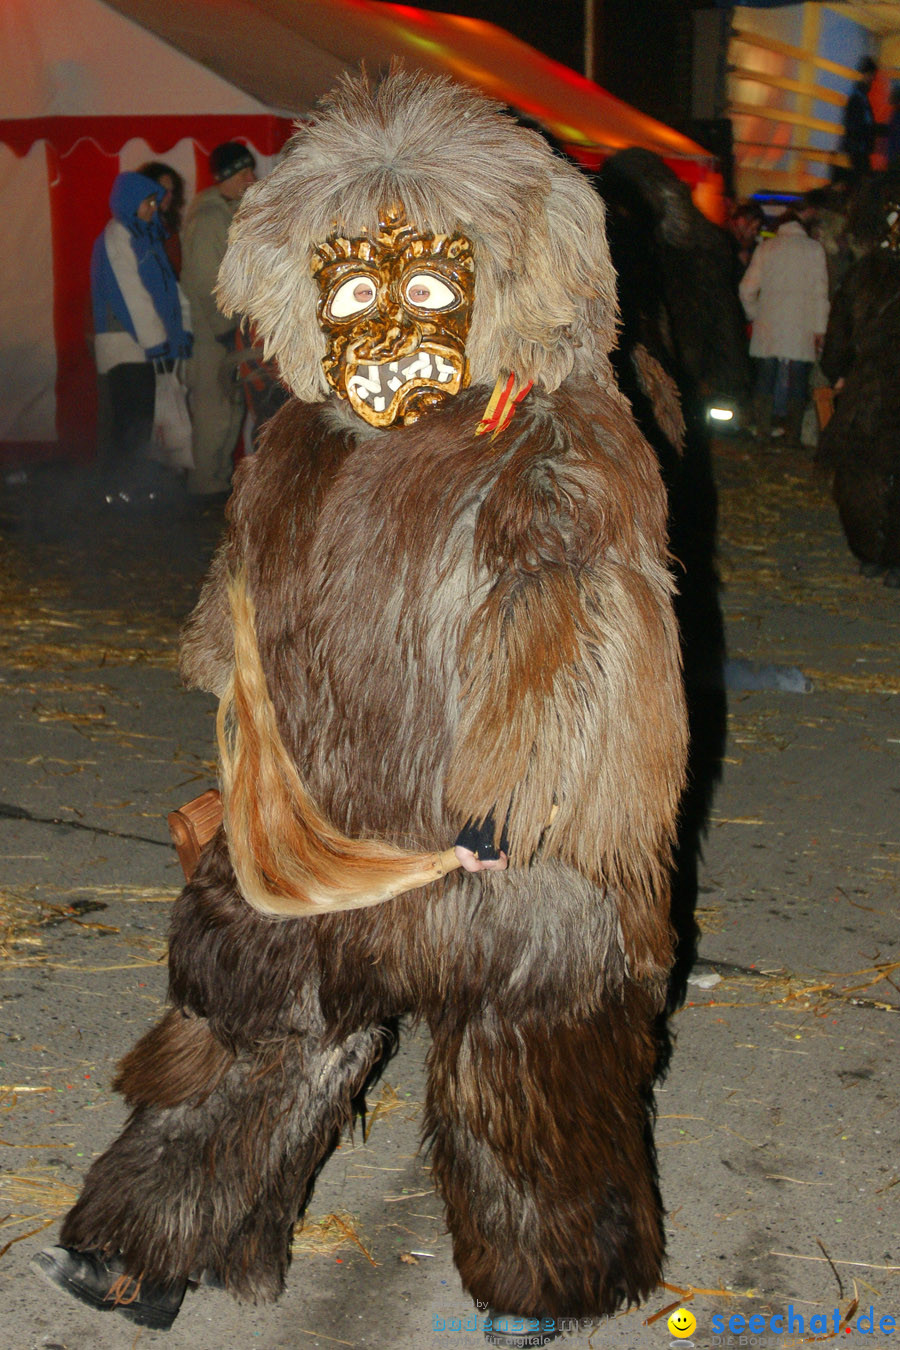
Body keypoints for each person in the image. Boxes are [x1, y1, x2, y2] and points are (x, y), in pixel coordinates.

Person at [31, 70, 687, 1344]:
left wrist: (533, 803)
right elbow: (246, 623)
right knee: (241, 1029)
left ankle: (540, 1282)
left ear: (504, 286)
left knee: (527, 1065)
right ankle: (148, 1243)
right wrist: (244, 764)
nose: (386, 328)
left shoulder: (557, 441)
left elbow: (595, 641)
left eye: (429, 291)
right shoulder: (296, 446)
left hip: (493, 836)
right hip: (317, 823)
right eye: (354, 293)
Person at [90, 171, 192, 504]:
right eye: (148, 201)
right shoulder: (118, 234)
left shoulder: (146, 236)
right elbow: (129, 293)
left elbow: (169, 289)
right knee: (129, 421)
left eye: (154, 201)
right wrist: (156, 340)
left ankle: (135, 487)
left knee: (144, 420)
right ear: (131, 202)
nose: (153, 207)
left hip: (146, 347)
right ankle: (116, 490)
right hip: (126, 347)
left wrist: (181, 331)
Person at [817, 198, 900, 586]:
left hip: (870, 391)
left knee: (861, 470)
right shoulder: (866, 274)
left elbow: (840, 334)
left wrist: (840, 372)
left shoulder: (865, 273)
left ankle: (873, 553)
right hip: (872, 388)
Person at [180, 141, 257, 499]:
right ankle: (205, 486)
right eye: (243, 172)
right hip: (213, 334)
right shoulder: (210, 218)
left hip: (231, 331)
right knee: (216, 409)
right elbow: (202, 280)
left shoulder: (231, 214)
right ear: (227, 176)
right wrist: (225, 329)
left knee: (232, 407)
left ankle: (218, 480)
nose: (251, 178)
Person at [739, 208, 830, 446]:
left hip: (769, 324)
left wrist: (754, 314)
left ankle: (762, 431)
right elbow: (821, 294)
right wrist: (820, 329)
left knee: (766, 378)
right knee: (799, 380)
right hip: (802, 326)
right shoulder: (814, 250)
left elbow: (746, 289)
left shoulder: (767, 248)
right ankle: (792, 435)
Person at [138, 160, 185, 276]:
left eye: (171, 191)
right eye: (163, 190)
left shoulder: (169, 227)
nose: (169, 196)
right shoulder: (135, 229)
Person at [839, 55, 879, 181]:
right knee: (864, 181)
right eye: (872, 76)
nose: (873, 80)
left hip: (857, 148)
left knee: (862, 181)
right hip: (858, 148)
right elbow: (859, 124)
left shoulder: (859, 96)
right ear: (867, 74)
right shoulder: (859, 98)